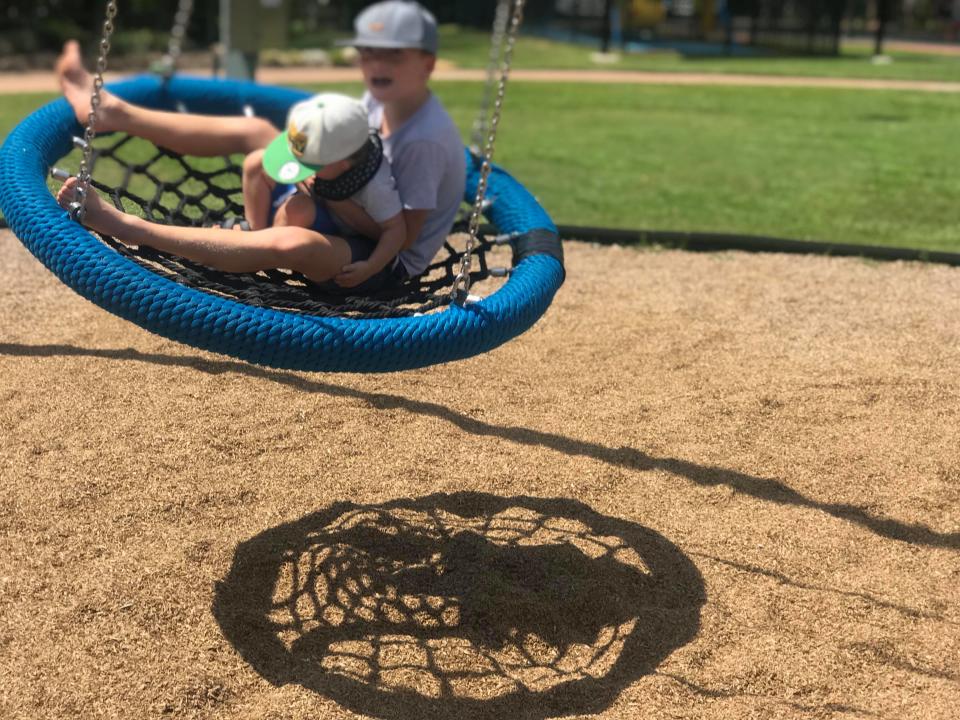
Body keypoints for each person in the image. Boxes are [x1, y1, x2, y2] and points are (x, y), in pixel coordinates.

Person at [54, 0, 466, 290]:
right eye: (368, 53)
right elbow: (332, 151)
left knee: (292, 242)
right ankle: (116, 114)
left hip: (379, 262)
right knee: (254, 136)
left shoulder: (424, 143)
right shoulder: (380, 99)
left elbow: (401, 237)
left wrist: (327, 192)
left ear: (426, 63)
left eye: (392, 56)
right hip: (341, 190)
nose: (376, 66)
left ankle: (128, 228)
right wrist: (312, 175)